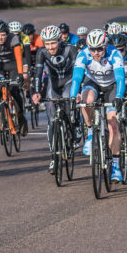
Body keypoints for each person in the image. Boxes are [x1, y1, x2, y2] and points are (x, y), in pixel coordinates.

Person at [70, 29, 126, 182]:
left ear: (106, 46)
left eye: (99, 49)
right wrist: (73, 96)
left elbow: (120, 79)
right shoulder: (83, 54)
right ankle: (90, 133)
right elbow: (77, 78)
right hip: (93, 82)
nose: (95, 53)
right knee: (86, 101)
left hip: (112, 85)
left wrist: (119, 97)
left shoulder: (114, 54)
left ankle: (116, 166)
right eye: (92, 49)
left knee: (113, 124)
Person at [32, 25, 78, 174]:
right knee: (52, 120)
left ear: (59, 40)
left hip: (69, 81)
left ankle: (74, 128)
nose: (50, 47)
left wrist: (78, 91)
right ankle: (53, 156)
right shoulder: (41, 52)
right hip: (53, 83)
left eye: (53, 43)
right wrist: (37, 92)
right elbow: (38, 73)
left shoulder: (70, 49)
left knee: (68, 100)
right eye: (47, 43)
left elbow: (78, 71)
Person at [0, 20, 29, 135]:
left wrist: (20, 74)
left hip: (12, 65)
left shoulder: (13, 39)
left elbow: (19, 58)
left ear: (7, 34)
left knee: (14, 90)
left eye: (3, 35)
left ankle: (21, 117)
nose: (0, 38)